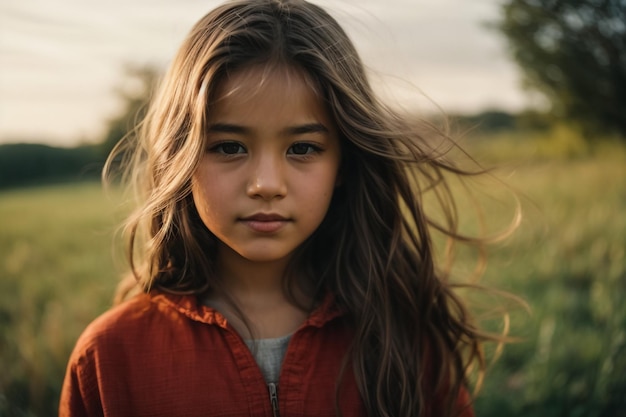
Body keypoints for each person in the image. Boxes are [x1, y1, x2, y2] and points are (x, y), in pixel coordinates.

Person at [59, 0, 510, 416]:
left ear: (345, 163)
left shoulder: (402, 333)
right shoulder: (111, 354)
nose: (266, 185)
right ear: (180, 156)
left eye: (303, 148)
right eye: (230, 146)